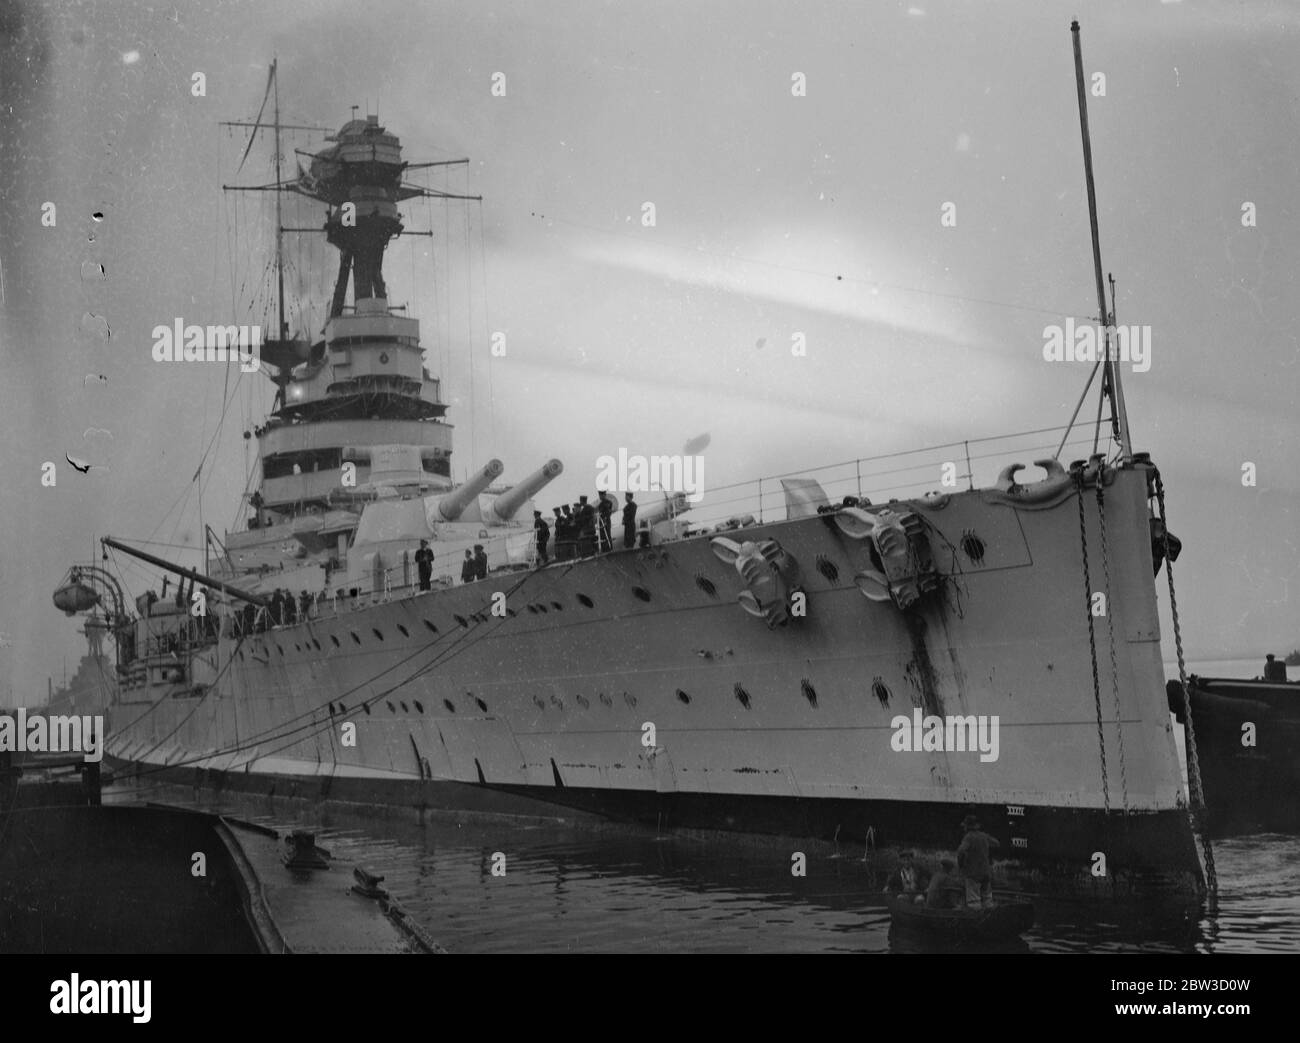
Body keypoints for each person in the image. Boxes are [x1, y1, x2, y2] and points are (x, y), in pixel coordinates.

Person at [956, 814, 1000, 909]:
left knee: (974, 902)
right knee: (988, 901)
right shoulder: (984, 836)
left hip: (973, 874)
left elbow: (961, 851)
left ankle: (976, 921)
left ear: (967, 826)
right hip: (986, 873)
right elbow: (996, 843)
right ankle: (989, 918)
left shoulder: (968, 837)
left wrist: (961, 864)